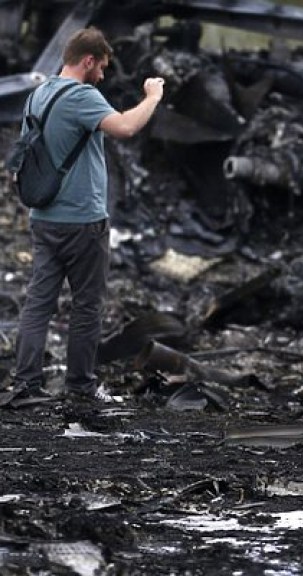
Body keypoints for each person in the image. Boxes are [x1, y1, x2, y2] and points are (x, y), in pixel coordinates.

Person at [10, 26, 165, 402]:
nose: (104, 75)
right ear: (88, 60)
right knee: (86, 307)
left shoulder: (38, 95)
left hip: (43, 219)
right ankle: (79, 386)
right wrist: (153, 95)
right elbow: (126, 127)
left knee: (38, 304)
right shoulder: (82, 96)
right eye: (102, 67)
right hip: (82, 222)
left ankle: (26, 384)